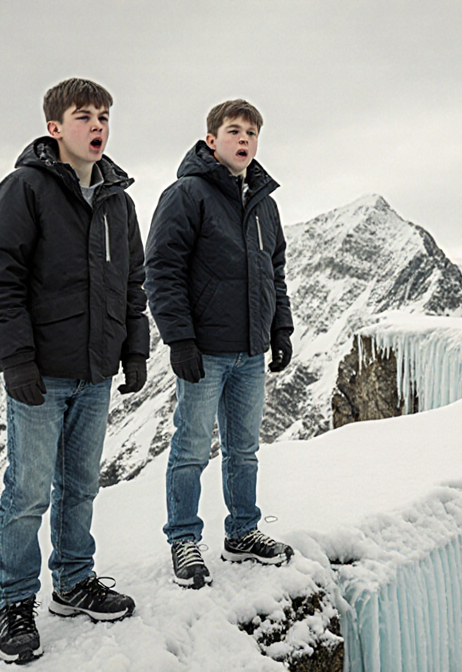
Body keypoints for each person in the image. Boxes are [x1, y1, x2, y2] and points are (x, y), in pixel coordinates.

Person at [0, 77, 148, 664]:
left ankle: (73, 582)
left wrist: (134, 351)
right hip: (41, 374)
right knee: (26, 492)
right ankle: (15, 600)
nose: (97, 126)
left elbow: (132, 283)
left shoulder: (119, 202)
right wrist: (16, 358)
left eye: (104, 116)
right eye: (84, 116)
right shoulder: (24, 189)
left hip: (96, 373)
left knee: (81, 486)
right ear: (55, 128)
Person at [145, 99, 295, 591]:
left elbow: (274, 273)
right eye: (234, 131)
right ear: (212, 140)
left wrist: (280, 329)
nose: (244, 139)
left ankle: (243, 533)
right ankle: (184, 539)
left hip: (250, 352)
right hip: (205, 351)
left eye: (252, 132)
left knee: (243, 450)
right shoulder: (187, 195)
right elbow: (161, 272)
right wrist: (180, 340)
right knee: (190, 448)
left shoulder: (264, 205)